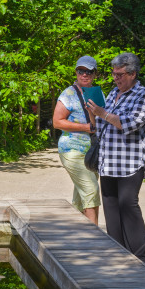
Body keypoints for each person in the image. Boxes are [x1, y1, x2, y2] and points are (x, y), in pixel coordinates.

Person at [85, 52, 145, 267]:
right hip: (108, 162)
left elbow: (132, 123)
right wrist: (93, 112)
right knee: (111, 208)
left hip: (131, 163)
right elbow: (101, 126)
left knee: (128, 204)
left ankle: (141, 259)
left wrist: (103, 113)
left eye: (120, 75)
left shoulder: (144, 94)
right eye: (114, 75)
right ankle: (119, 255)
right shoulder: (113, 93)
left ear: (133, 74)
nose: (115, 78)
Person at [53, 56, 101, 224]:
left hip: (93, 151)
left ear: (95, 74)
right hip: (72, 149)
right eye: (81, 71)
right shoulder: (68, 94)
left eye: (89, 71)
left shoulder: (98, 93)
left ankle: (76, 231)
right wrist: (85, 127)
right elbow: (57, 122)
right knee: (91, 190)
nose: (84, 75)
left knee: (82, 196)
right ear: (76, 72)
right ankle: (95, 239)